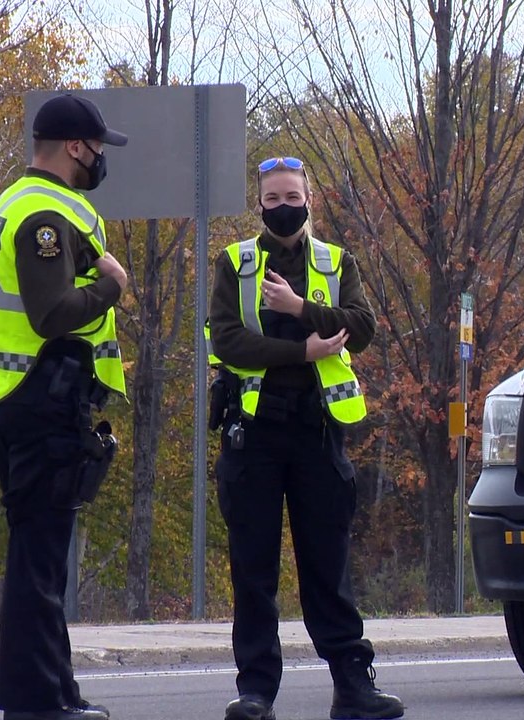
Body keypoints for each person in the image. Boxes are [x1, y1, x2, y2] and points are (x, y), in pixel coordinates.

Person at [207, 156, 404, 720]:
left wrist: (300, 310)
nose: (284, 207)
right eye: (273, 199)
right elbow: (226, 341)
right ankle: (256, 693)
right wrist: (301, 349)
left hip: (318, 433)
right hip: (256, 435)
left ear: (309, 199)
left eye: (292, 196)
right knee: (254, 570)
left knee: (328, 565)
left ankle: (353, 685)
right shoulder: (236, 264)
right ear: (259, 204)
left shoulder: (336, 261)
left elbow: (360, 328)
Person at [0, 93, 130, 720]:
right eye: (99, 147)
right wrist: (111, 287)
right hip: (41, 395)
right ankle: (37, 704)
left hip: (12, 394)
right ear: (77, 147)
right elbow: (52, 313)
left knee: (42, 554)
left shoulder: (12, 201)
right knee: (39, 559)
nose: (101, 158)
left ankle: (55, 693)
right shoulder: (46, 214)